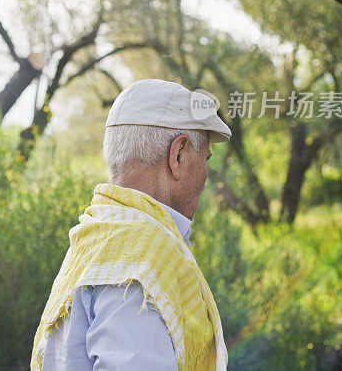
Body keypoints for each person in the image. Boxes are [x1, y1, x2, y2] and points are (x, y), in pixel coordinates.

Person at [31, 79, 231, 371]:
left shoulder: (94, 240)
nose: (206, 174)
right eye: (206, 159)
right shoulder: (140, 260)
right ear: (177, 155)